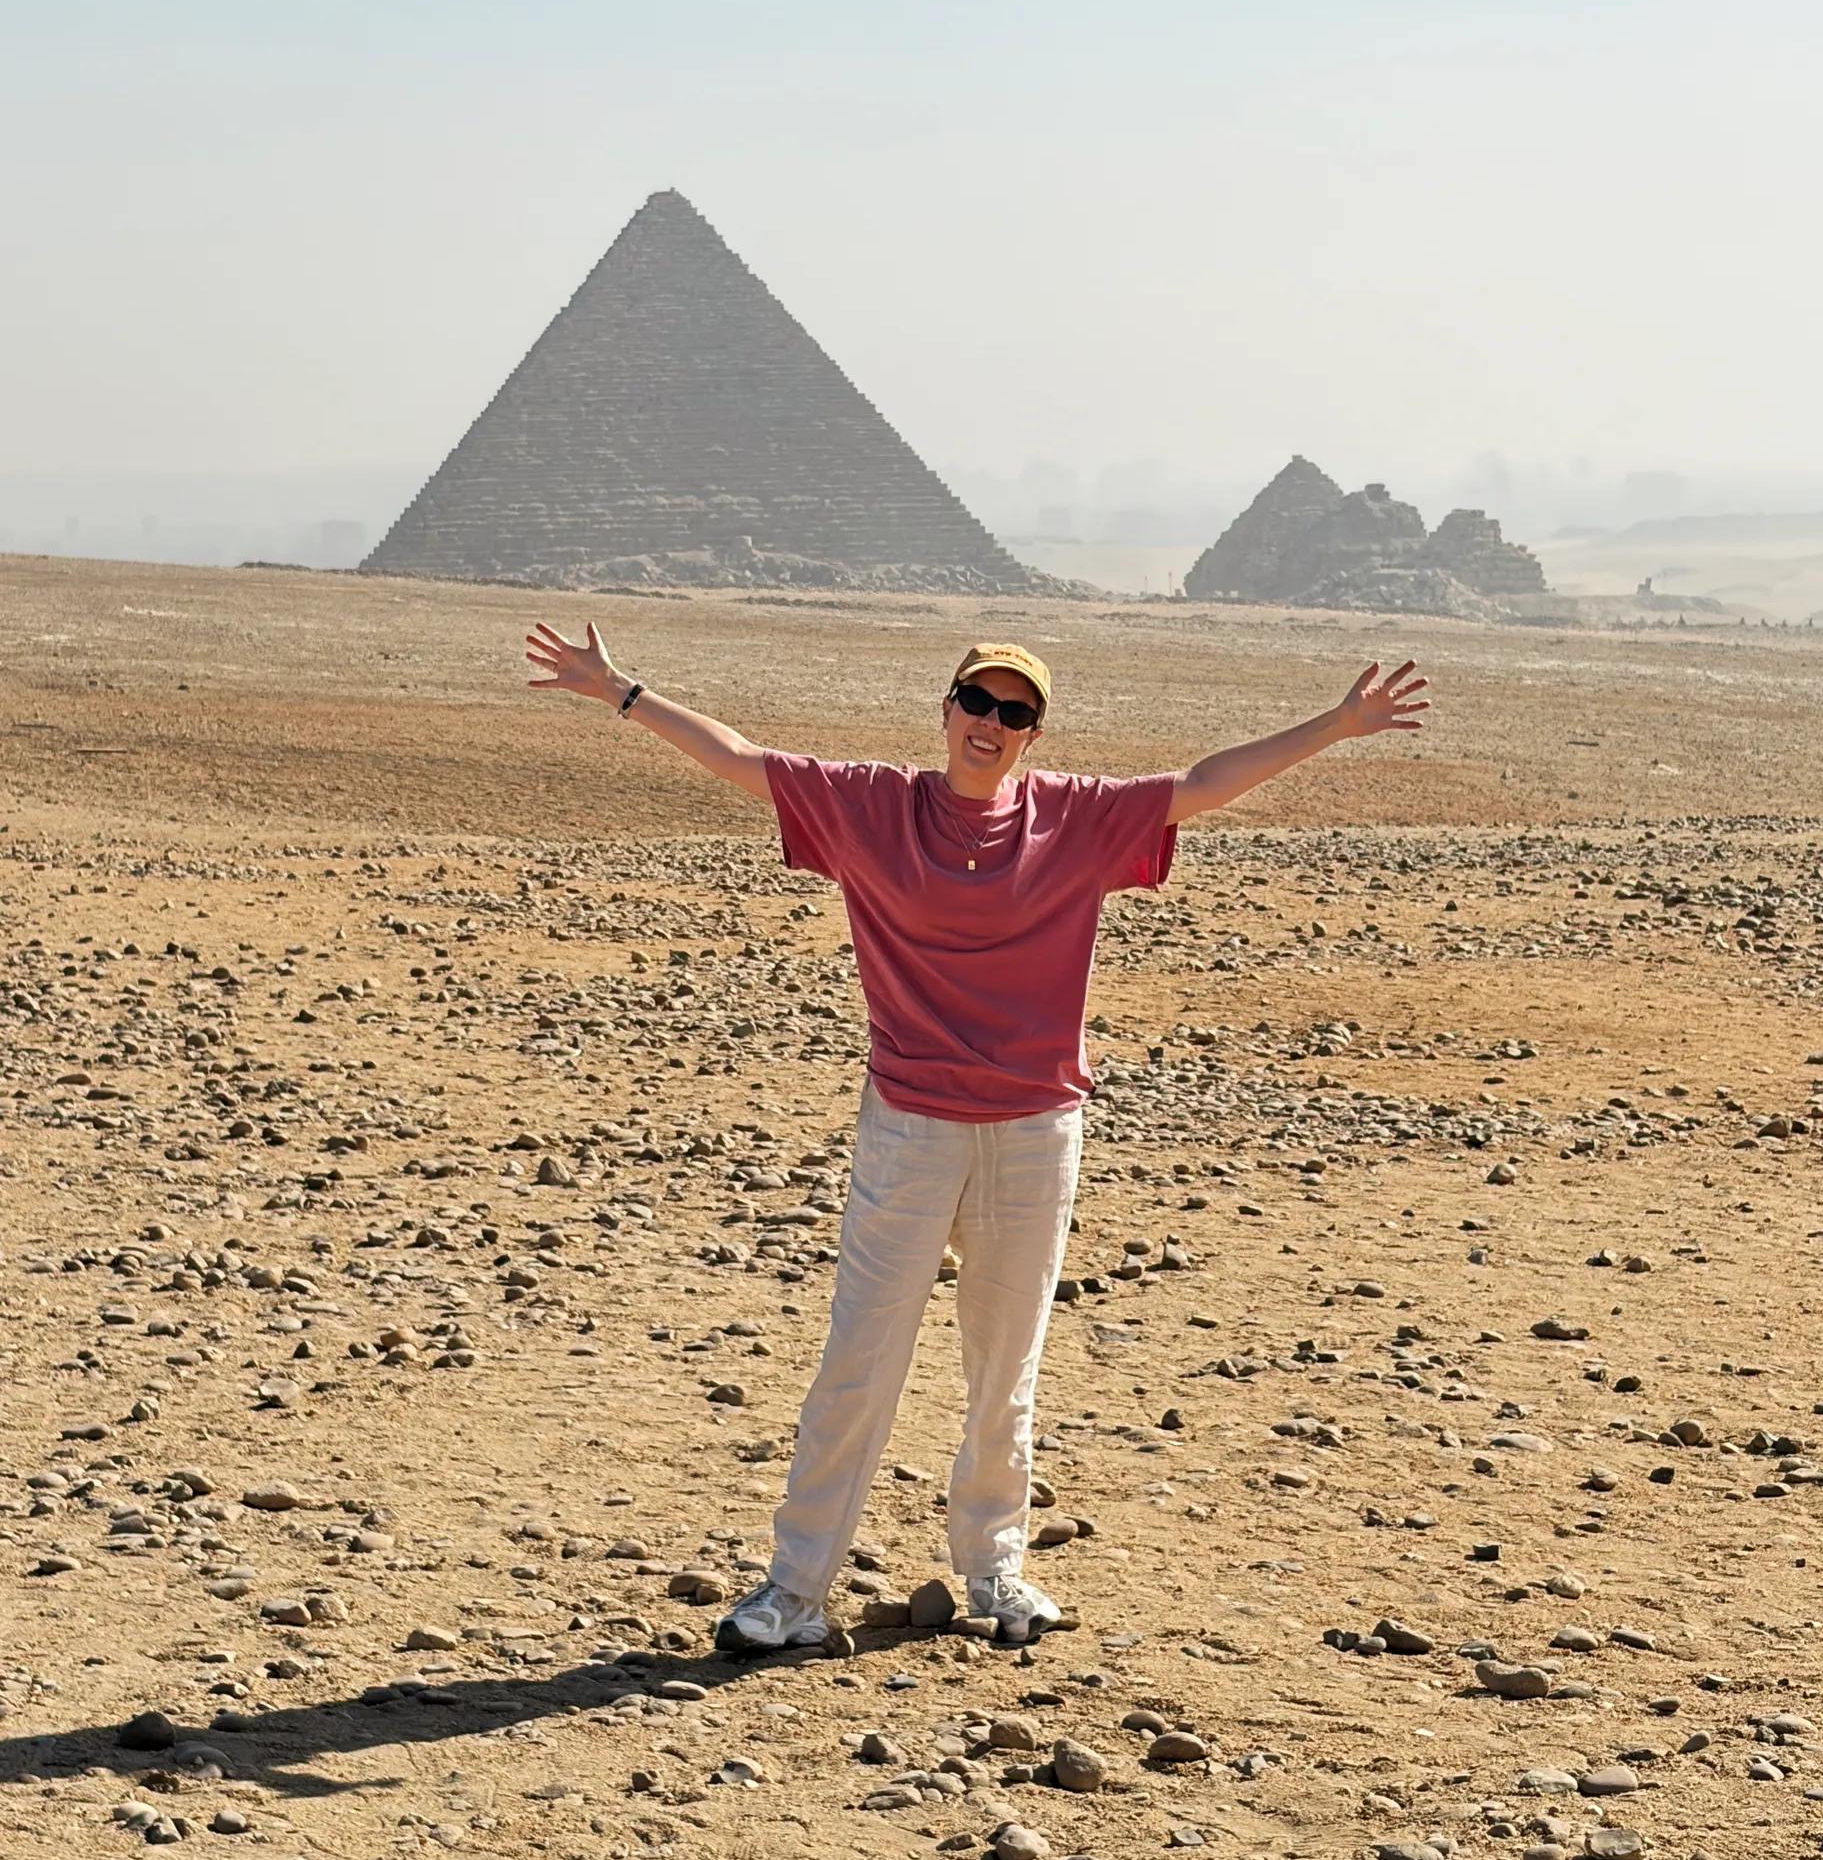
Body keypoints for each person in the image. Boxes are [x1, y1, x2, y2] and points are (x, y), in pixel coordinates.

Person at [524, 619, 1427, 1653]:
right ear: (945, 708)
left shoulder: (1075, 819)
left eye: (1016, 712)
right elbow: (739, 757)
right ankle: (795, 1589)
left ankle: (994, 1569)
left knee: (1007, 1366)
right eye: (977, 702)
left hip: (1035, 1129)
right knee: (859, 1359)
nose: (990, 724)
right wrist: (619, 693)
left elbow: (1201, 782)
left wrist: (1340, 724)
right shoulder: (871, 806)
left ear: (1033, 733)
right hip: (910, 1124)